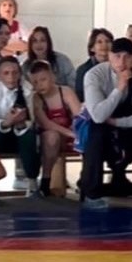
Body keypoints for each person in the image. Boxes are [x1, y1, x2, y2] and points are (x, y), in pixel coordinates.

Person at [79, 36, 132, 209]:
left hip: (123, 122)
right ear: (109, 56)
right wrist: (120, 87)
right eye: (117, 56)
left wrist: (118, 122)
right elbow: (98, 116)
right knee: (96, 134)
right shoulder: (94, 75)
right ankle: (92, 193)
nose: (122, 62)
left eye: (127, 57)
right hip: (101, 124)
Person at [0, 55, 40, 193]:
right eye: (6, 73)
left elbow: (31, 118)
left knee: (29, 136)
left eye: (15, 73)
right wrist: (5, 123)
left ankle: (32, 181)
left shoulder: (27, 89)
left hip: (18, 130)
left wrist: (21, 124)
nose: (11, 77)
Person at [30, 60, 81, 197]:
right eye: (35, 82)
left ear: (53, 77)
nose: (39, 85)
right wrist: (71, 133)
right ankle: (45, 181)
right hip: (48, 140)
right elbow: (46, 124)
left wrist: (78, 133)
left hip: (69, 136)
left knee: (88, 135)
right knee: (52, 136)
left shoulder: (66, 92)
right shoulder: (36, 98)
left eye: (43, 80)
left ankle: (86, 181)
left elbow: (79, 116)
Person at [75, 28, 113, 101]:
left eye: (107, 41)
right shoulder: (83, 70)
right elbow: (80, 96)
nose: (104, 45)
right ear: (92, 48)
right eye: (99, 42)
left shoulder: (118, 66)